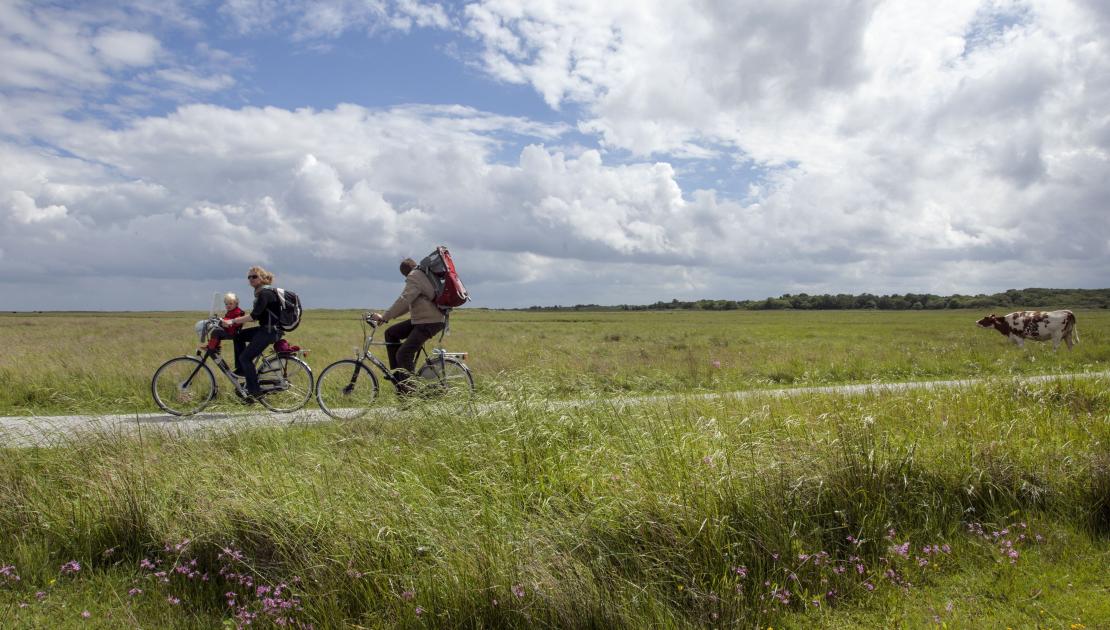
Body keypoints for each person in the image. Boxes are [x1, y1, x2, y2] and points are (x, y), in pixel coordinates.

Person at [368, 257, 446, 395]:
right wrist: (387, 319)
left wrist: (385, 316)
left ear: (404, 273)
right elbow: (408, 304)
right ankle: (399, 376)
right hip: (423, 319)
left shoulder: (414, 276)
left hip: (429, 321)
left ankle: (411, 392)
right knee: (391, 333)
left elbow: (404, 300)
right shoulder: (422, 274)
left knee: (404, 354)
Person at [221, 266, 282, 400]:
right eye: (249, 277)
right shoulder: (260, 293)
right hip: (265, 329)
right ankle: (242, 369)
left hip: (269, 331)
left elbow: (254, 316)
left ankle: (254, 391)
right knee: (238, 336)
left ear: (263, 278)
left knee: (245, 358)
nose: (251, 279)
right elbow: (259, 316)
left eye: (254, 276)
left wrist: (233, 321)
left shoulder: (265, 293)